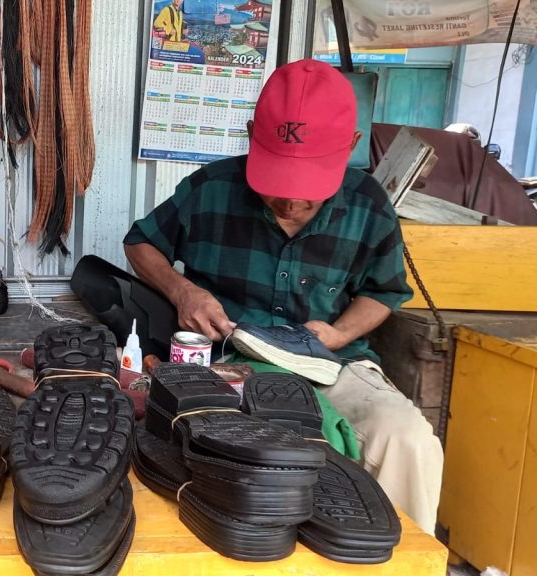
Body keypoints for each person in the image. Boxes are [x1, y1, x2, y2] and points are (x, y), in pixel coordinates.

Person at [73, 59, 443, 534]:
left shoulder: (369, 205)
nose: (290, 203)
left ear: (350, 145)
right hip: (227, 364)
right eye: (278, 184)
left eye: (308, 190)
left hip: (332, 364)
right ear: (253, 136)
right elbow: (140, 243)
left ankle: (397, 559)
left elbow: (383, 291)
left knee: (407, 439)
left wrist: (337, 333)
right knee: (251, 454)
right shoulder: (210, 188)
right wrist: (183, 291)